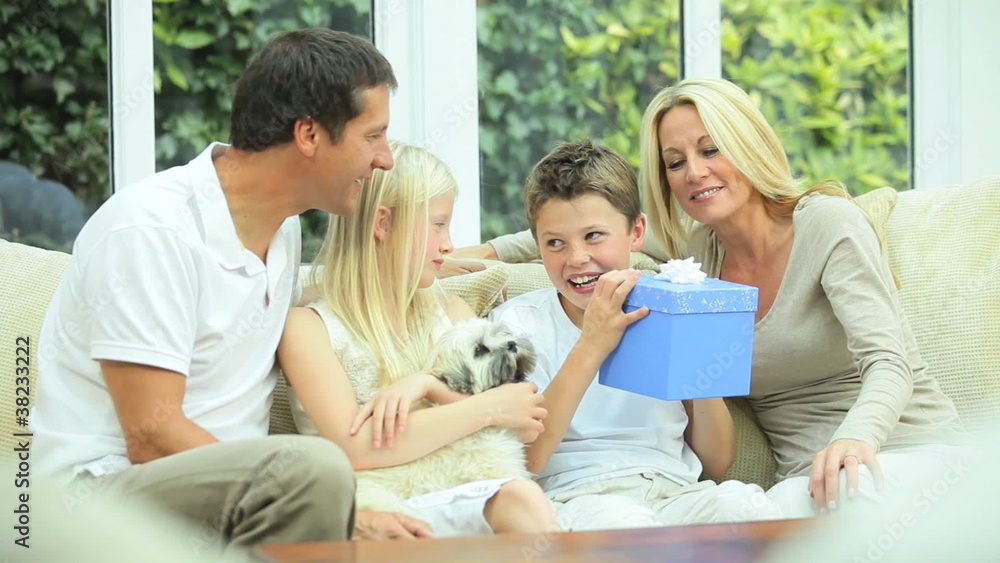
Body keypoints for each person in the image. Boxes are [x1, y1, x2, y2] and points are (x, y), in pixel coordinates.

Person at [29, 28, 425, 556]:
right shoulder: (151, 230)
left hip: (235, 497)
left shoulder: (282, 229)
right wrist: (344, 510)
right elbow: (151, 438)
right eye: (373, 136)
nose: (385, 159)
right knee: (314, 471)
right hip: (100, 500)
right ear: (309, 134)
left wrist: (487, 253)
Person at [637, 77, 967, 516]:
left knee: (839, 500)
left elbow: (889, 362)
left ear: (749, 145)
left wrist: (854, 440)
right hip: (805, 486)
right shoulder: (698, 256)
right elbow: (614, 230)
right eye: (675, 162)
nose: (694, 172)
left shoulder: (826, 223)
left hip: (908, 456)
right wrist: (539, 248)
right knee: (736, 515)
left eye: (711, 150)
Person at [487, 140, 783, 530]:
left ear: (636, 231)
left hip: (675, 492)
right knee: (627, 526)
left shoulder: (668, 307)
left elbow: (717, 462)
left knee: (746, 506)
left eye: (594, 236)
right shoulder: (517, 326)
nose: (576, 258)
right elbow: (527, 461)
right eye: (555, 242)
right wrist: (593, 343)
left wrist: (697, 365)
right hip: (581, 497)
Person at [276, 141, 561, 537]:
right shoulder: (308, 329)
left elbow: (526, 422)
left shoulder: (453, 313)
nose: (448, 244)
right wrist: (489, 409)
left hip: (463, 492)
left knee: (521, 497)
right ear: (383, 224)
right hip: (375, 507)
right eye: (438, 224)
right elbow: (355, 447)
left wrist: (428, 386)